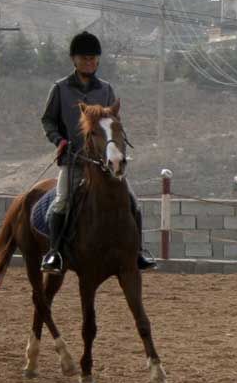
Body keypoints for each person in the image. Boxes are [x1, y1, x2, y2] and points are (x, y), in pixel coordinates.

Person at [40, 31, 157, 274]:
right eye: (84, 59)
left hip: (102, 164)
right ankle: (54, 254)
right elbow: (48, 120)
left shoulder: (106, 89)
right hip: (72, 160)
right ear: (74, 60)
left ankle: (138, 253)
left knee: (134, 203)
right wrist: (58, 140)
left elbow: (113, 122)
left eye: (93, 59)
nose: (89, 63)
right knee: (61, 203)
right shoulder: (60, 89)